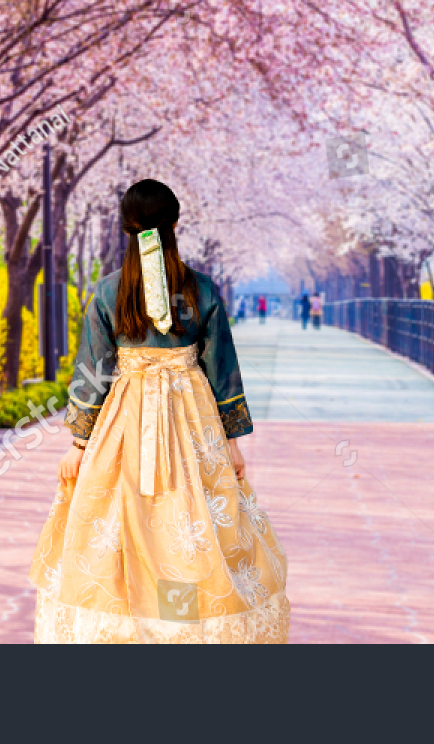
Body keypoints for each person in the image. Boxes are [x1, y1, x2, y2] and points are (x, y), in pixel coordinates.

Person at [29, 179, 289, 643]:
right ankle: (186, 625)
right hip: (192, 416)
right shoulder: (201, 288)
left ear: (127, 229)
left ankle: (128, 626)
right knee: (192, 518)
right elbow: (221, 365)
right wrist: (229, 442)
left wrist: (79, 442)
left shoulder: (110, 291)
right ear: (174, 225)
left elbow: (94, 369)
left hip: (123, 420)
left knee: (119, 521)